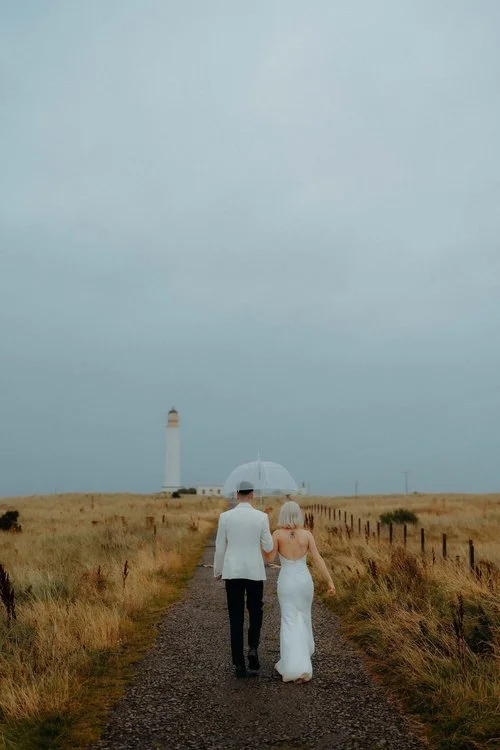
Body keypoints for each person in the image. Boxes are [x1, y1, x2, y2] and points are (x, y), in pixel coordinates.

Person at [263, 499, 335, 683]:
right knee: (304, 617)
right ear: (298, 515)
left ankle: (292, 664)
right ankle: (302, 661)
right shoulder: (307, 535)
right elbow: (318, 559)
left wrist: (262, 546)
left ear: (282, 515)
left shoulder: (277, 534)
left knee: (288, 620)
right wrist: (330, 581)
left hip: (287, 581)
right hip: (304, 581)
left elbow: (269, 558)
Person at [214, 481, 273, 678]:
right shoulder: (262, 517)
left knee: (235, 617)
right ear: (252, 495)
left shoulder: (225, 517)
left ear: (237, 495)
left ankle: (239, 664)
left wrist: (218, 570)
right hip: (254, 572)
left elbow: (220, 546)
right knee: (256, 611)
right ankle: (253, 648)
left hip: (233, 571)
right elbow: (268, 545)